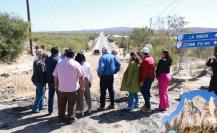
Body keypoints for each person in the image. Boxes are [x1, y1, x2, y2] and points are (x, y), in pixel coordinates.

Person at [53, 49, 84, 122]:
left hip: (61, 89)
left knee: (61, 104)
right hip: (72, 89)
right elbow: (81, 77)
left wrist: (56, 85)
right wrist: (82, 87)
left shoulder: (59, 63)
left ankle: (61, 117)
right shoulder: (76, 64)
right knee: (72, 104)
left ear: (66, 54)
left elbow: (55, 76)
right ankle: (71, 118)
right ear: (73, 55)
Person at [139, 47, 155, 112]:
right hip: (151, 77)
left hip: (147, 78)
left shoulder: (145, 61)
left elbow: (144, 73)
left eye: (141, 53)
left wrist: (142, 81)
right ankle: (146, 104)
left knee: (144, 91)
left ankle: (148, 107)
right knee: (147, 90)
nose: (141, 55)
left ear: (143, 53)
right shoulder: (151, 58)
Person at [45, 47, 59, 115]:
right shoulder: (57, 60)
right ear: (57, 52)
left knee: (50, 96)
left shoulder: (47, 59)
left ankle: (50, 110)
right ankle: (60, 110)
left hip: (49, 80)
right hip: (56, 81)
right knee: (60, 96)